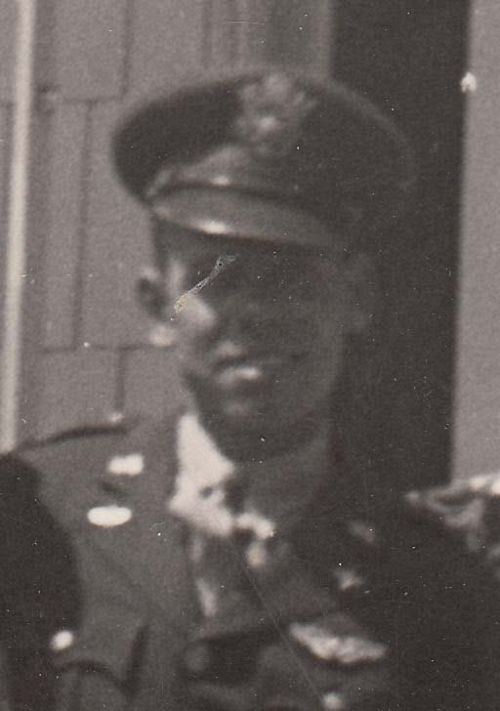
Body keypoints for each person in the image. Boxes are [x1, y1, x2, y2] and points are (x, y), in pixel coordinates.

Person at [4, 68, 500, 710]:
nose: (256, 313)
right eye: (215, 278)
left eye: (290, 278)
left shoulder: (436, 583)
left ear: (357, 298)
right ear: (157, 305)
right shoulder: (36, 518)